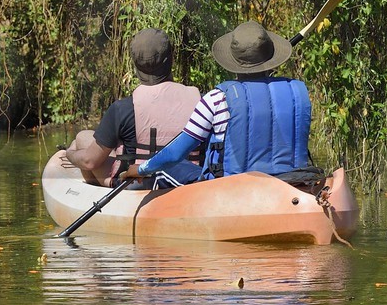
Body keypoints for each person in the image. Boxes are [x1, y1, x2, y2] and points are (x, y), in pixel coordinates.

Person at [130, 20, 312, 188]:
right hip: (288, 186)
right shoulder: (297, 93)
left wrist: (140, 169)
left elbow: (175, 154)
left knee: (165, 168)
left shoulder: (217, 99)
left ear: (233, 61)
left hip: (228, 190)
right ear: (270, 59)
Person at [65, 29, 201, 186]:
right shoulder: (202, 101)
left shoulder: (122, 109)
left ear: (136, 64)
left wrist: (70, 154)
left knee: (81, 138)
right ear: (171, 59)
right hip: (188, 184)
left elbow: (90, 162)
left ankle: (93, 190)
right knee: (88, 137)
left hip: (136, 186)